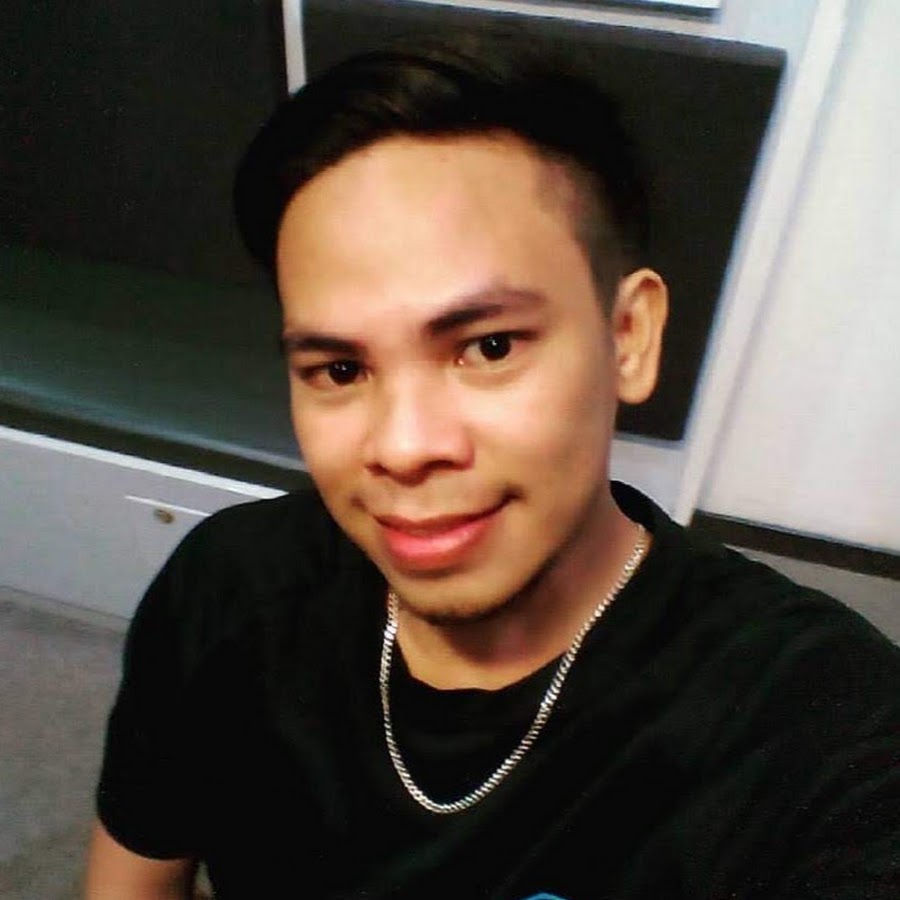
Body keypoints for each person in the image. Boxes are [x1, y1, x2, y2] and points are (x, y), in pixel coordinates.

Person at [84, 31, 900, 900]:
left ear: (629, 337)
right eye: (342, 370)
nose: (403, 447)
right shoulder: (227, 590)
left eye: (490, 346)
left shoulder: (816, 727)